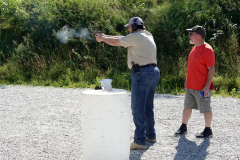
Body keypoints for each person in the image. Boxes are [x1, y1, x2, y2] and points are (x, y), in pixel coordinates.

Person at [95, 17, 160, 150]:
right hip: (153, 71)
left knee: (137, 108)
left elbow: (115, 42)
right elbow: (122, 37)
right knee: (147, 106)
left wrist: (102, 39)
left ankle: (140, 141)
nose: (128, 29)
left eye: (129, 27)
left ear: (134, 26)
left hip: (141, 73)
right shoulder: (146, 34)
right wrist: (105, 36)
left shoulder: (135, 37)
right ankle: (150, 135)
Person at [174, 25, 215, 138]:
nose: (190, 36)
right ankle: (183, 127)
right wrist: (187, 80)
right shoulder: (194, 48)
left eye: (191, 34)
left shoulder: (207, 49)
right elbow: (191, 67)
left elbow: (211, 69)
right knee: (187, 107)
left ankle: (208, 130)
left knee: (206, 108)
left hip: (202, 87)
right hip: (190, 86)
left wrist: (206, 86)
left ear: (198, 36)